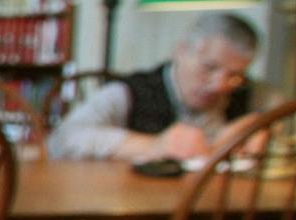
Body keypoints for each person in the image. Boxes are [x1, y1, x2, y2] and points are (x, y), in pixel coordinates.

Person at [50, 13, 261, 163]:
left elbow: (284, 118)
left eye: (235, 76)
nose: (220, 85)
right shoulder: (128, 92)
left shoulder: (252, 95)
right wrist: (155, 145)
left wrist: (265, 128)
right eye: (209, 67)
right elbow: (63, 140)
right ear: (181, 51)